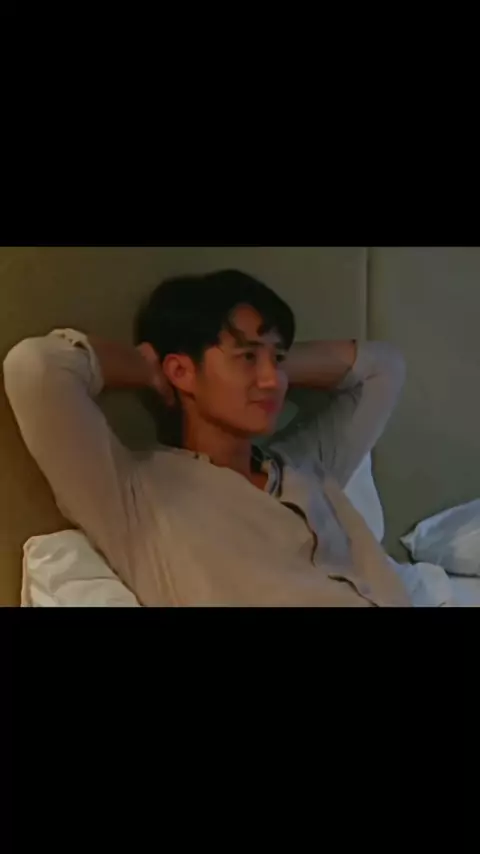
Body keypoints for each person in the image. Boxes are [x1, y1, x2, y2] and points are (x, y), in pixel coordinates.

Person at [3, 269, 410, 606]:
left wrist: (265, 361)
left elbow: (383, 368)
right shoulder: (138, 496)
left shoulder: (306, 464)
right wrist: (149, 371)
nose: (273, 380)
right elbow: (35, 369)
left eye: (277, 359)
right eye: (246, 356)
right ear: (180, 371)